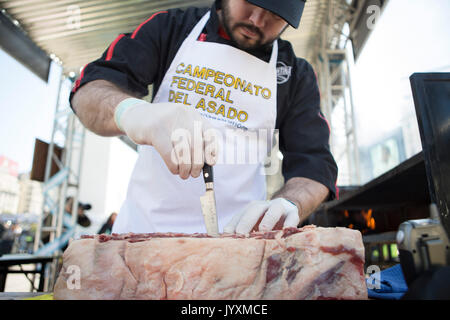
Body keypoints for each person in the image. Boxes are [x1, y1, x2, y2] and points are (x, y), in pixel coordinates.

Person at [70, 0, 338, 235]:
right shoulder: (172, 28)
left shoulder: (295, 74)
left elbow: (315, 164)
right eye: (250, 3)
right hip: (141, 238)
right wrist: (130, 112)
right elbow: (90, 90)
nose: (257, 20)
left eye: (275, 14)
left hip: (235, 244)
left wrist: (290, 203)